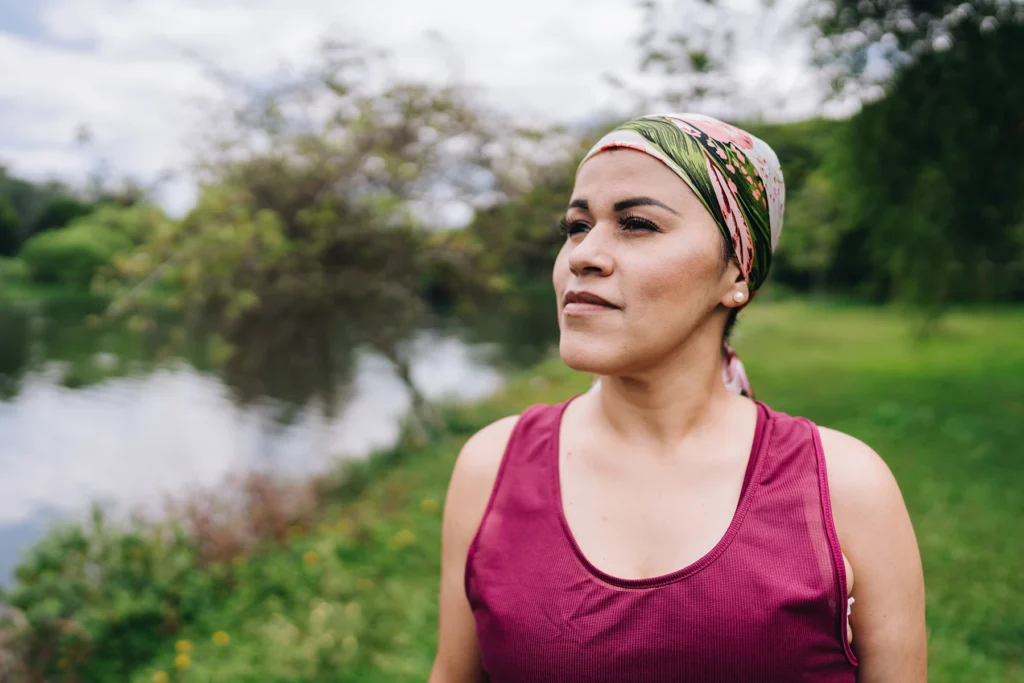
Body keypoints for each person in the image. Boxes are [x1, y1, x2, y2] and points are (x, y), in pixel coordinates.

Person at [429, 113, 927, 682]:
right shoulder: (491, 468)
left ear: (736, 273)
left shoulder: (845, 488)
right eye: (575, 226)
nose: (582, 256)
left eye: (636, 224)